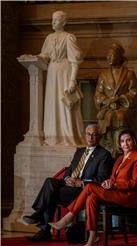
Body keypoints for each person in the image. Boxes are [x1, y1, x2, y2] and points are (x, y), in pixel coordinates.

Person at [49, 129, 137, 246]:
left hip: (128, 196)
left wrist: (115, 185)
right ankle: (92, 238)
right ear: (119, 144)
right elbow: (112, 178)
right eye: (122, 141)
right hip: (116, 192)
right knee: (91, 197)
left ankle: (69, 216)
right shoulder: (119, 159)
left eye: (128, 140)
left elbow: (136, 183)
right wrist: (108, 182)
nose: (125, 144)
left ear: (134, 141)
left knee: (90, 187)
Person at [21, 124, 112, 241]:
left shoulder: (104, 154)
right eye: (88, 134)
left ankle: (42, 225)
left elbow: (101, 179)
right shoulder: (79, 152)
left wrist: (80, 182)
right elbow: (69, 170)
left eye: (94, 135)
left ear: (99, 137)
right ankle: (40, 218)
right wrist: (68, 178)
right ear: (85, 135)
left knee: (51, 193)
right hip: (69, 185)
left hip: (83, 190)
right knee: (50, 182)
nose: (91, 137)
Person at [39, 10, 85, 146]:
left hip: (65, 72)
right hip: (52, 72)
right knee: (53, 103)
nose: (53, 22)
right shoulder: (49, 38)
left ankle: (67, 135)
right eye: (52, 19)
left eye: (56, 19)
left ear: (64, 22)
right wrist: (34, 58)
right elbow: (45, 55)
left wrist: (72, 80)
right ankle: (53, 136)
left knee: (65, 104)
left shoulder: (69, 37)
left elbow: (75, 60)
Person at [94, 43, 137, 157]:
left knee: (120, 117)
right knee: (107, 117)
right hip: (108, 108)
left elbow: (134, 92)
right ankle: (108, 151)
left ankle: (120, 151)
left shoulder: (129, 74)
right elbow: (98, 95)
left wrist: (120, 100)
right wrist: (108, 102)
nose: (108, 58)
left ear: (119, 57)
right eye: (107, 55)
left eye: (112, 55)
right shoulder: (103, 75)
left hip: (123, 108)